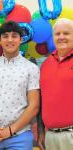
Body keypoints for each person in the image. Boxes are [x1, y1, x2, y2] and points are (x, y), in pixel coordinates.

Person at [0, 21, 40, 150]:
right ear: (0, 40)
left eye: (14, 36)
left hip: (20, 137)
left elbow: (34, 106)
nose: (10, 40)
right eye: (5, 36)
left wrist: (11, 130)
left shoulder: (31, 68)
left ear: (20, 39)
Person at [38, 18, 73, 150]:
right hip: (51, 136)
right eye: (57, 34)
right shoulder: (46, 65)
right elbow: (42, 100)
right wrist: (41, 131)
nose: (61, 37)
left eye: (66, 33)